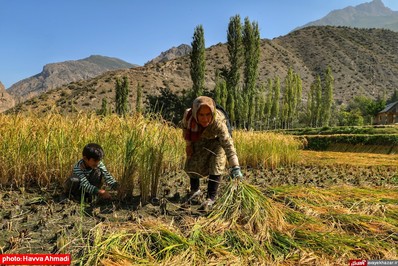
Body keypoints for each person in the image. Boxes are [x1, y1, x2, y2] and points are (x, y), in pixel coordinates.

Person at [181, 96, 243, 210]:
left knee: (217, 162)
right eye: (201, 115)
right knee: (193, 160)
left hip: (217, 140)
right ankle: (195, 190)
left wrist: (235, 167)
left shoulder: (218, 122)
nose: (205, 119)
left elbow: (228, 144)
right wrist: (188, 145)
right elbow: (185, 129)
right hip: (199, 137)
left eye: (208, 114)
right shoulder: (189, 116)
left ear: (213, 113)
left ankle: (211, 197)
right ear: (195, 113)